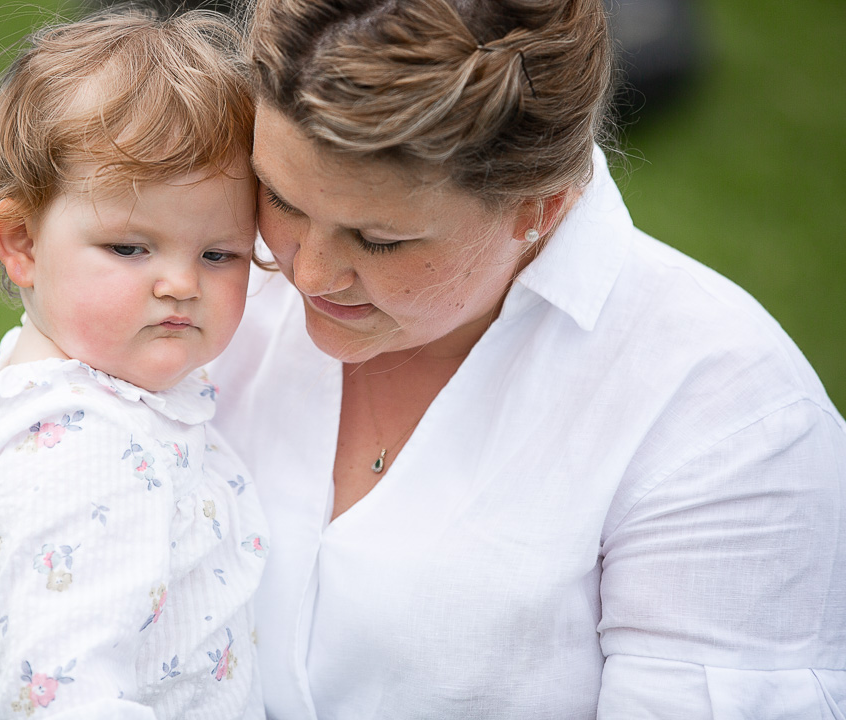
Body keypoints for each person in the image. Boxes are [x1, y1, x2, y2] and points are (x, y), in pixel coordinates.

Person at [206, 0, 846, 716]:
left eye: (379, 239)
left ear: (539, 206)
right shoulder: (188, 275)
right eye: (281, 198)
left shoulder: (728, 414)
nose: (309, 273)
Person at [0, 8, 267, 718]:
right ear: (21, 242)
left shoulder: (104, 384)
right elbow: (57, 692)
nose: (181, 283)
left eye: (219, 254)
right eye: (129, 248)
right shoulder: (72, 454)